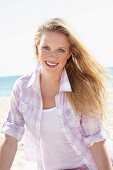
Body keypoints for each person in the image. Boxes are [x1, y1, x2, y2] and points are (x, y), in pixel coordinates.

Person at [0, 18, 113, 170]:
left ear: (69, 54)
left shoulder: (82, 88)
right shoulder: (22, 88)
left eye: (60, 50)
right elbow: (10, 139)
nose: (52, 56)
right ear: (36, 49)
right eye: (46, 47)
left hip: (88, 165)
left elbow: (97, 142)